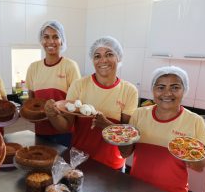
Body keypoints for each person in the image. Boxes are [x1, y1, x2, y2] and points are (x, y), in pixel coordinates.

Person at [45, 36, 138, 170]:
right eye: (97, 56)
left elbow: (127, 147)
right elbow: (65, 126)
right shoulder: (79, 85)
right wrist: (52, 115)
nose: (103, 60)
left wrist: (107, 126)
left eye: (109, 54)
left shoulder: (129, 91)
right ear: (93, 60)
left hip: (112, 167)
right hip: (78, 161)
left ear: (118, 58)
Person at [119, 66, 205, 192]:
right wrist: (121, 136)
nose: (167, 93)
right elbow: (125, 153)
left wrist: (186, 152)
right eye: (160, 87)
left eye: (175, 87)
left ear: (184, 90)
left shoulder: (195, 121)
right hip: (137, 188)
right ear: (153, 90)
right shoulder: (139, 114)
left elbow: (200, 166)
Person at [25, 20, 81, 147]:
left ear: (62, 40)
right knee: (42, 165)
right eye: (46, 37)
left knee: (62, 166)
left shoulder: (70, 66)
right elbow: (31, 101)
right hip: (41, 131)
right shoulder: (33, 68)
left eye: (55, 37)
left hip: (64, 133)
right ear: (41, 40)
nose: (51, 41)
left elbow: (74, 105)